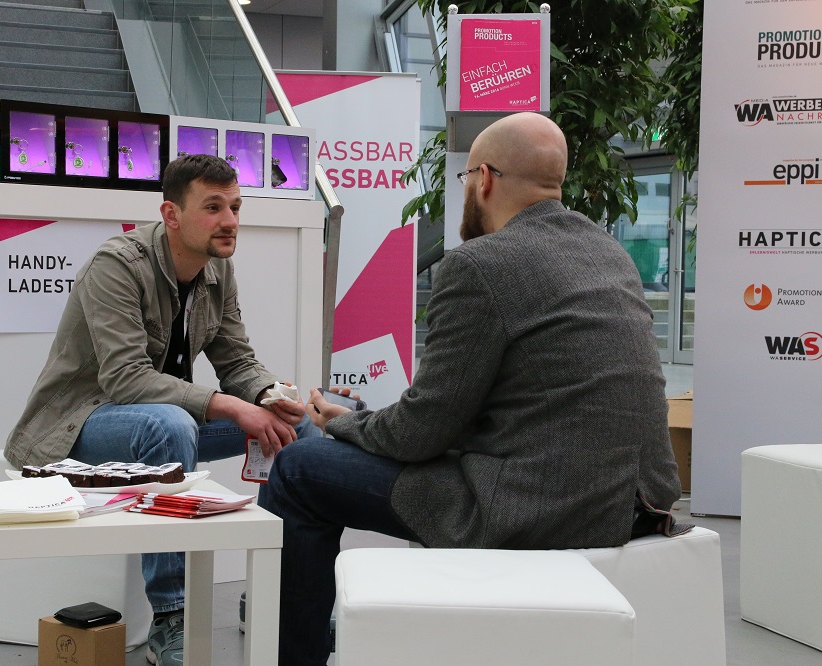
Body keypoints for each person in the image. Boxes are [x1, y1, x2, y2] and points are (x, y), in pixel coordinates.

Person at [262, 112, 683, 666]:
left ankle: (297, 655)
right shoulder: (609, 254)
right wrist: (365, 420)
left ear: (483, 178)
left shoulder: (479, 265)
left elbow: (421, 434)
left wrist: (343, 423)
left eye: (464, 178)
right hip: (635, 501)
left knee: (300, 470)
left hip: (539, 508)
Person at [4, 153, 319, 666]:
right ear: (171, 214)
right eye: (213, 207)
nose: (230, 221)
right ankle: (172, 616)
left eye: (235, 207)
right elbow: (125, 378)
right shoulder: (117, 265)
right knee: (169, 425)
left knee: (298, 429)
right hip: (81, 424)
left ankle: (277, 599)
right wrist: (229, 406)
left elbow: (236, 359)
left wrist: (268, 396)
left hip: (165, 421)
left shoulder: (217, 267)